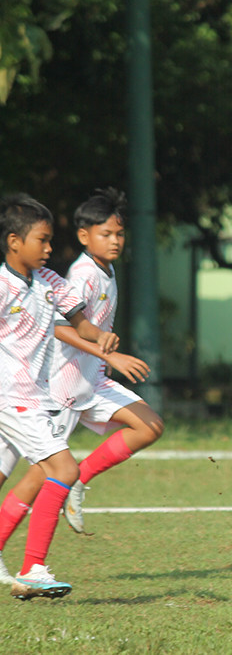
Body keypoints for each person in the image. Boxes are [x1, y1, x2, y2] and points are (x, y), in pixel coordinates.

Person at [0, 188, 164, 561]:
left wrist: (103, 347)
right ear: (85, 236)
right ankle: (30, 566)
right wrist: (113, 354)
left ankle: (78, 484)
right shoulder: (82, 274)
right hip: (59, 387)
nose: (116, 241)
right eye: (106, 234)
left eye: (119, 234)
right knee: (42, 474)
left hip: (91, 380)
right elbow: (63, 327)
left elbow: (81, 323)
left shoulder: (81, 275)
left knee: (149, 426)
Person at [0, 193, 118, 599]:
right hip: (11, 397)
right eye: (42, 240)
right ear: (14, 241)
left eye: (51, 241)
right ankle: (33, 568)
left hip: (34, 396)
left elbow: (79, 322)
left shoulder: (49, 282)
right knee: (65, 471)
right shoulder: (2, 286)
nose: (49, 249)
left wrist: (99, 335)